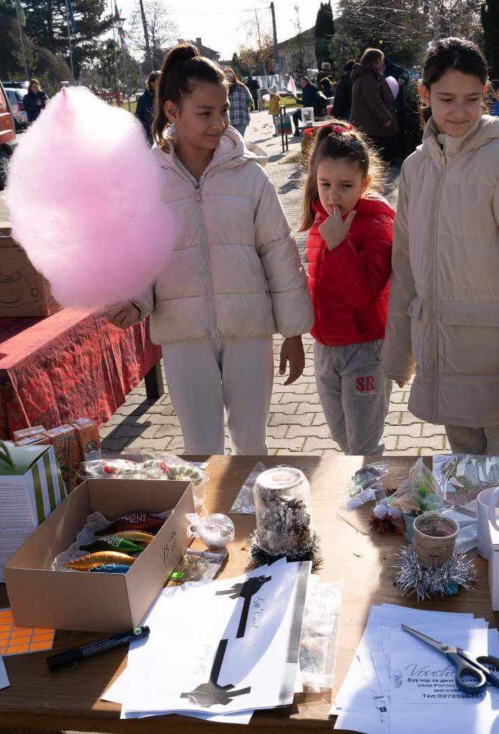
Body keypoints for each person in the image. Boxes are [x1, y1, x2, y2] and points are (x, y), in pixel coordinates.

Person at [106, 43, 312, 455]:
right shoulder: (146, 181)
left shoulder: (250, 176)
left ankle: (254, 516)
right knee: (201, 449)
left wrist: (292, 331)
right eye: (204, 113)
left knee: (252, 443)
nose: (218, 123)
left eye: (222, 111)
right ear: (171, 111)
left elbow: (279, 251)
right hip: (183, 333)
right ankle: (212, 519)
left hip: (249, 329)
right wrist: (132, 302)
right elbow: (140, 257)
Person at [382, 37, 499, 456]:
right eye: (446, 99)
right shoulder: (415, 168)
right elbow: (403, 265)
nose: (459, 112)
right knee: (461, 480)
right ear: (424, 95)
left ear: (486, 94)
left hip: (496, 362)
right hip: (440, 351)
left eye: (472, 99)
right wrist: (400, 352)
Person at [299, 123, 394, 454]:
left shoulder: (376, 223)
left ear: (365, 183)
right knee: (342, 437)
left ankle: (371, 502)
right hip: (326, 349)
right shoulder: (320, 221)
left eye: (345, 185)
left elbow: (363, 294)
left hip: (365, 350)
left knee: (363, 444)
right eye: (325, 184)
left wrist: (339, 246)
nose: (333, 196)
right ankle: (362, 492)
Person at [351, 48, 399, 163]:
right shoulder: (368, 77)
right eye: (381, 60)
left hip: (370, 125)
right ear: (375, 61)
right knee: (381, 161)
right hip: (375, 127)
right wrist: (386, 118)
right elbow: (374, 101)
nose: (383, 63)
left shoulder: (366, 75)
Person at [226, 69, 255, 137]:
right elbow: (250, 101)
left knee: (231, 141)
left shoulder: (224, 89)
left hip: (229, 120)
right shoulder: (243, 87)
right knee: (240, 139)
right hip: (242, 118)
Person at [135, 71, 160, 142]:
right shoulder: (143, 100)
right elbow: (138, 120)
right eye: (160, 81)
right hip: (150, 139)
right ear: (152, 83)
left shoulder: (166, 98)